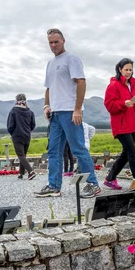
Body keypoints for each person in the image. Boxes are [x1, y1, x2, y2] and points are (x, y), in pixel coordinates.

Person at [37, 28, 101, 198]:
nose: (53, 45)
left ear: (63, 40)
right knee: (54, 151)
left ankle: (93, 184)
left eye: (56, 41)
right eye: (50, 42)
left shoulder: (71, 59)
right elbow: (49, 87)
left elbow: (81, 82)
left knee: (78, 149)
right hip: (56, 114)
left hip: (70, 112)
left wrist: (78, 109)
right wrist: (46, 106)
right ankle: (54, 186)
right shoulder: (50, 64)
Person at [103, 58, 135, 190]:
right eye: (126, 69)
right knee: (132, 153)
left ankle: (110, 178)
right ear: (120, 69)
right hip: (121, 126)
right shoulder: (113, 86)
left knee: (126, 154)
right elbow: (109, 105)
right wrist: (123, 104)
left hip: (131, 124)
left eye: (130, 70)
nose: (128, 72)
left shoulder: (132, 85)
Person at [7, 93, 36, 180]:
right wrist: (28, 130)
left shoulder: (13, 111)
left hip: (17, 136)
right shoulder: (30, 112)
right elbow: (33, 124)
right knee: (23, 155)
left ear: (17, 100)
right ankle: (21, 173)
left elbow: (10, 125)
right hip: (27, 136)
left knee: (20, 155)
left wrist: (12, 133)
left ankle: (31, 172)